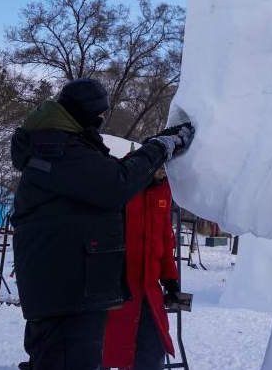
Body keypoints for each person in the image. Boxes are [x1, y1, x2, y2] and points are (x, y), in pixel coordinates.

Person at [11, 78, 194, 370]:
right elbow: (115, 183)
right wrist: (159, 148)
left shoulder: (62, 148)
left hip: (76, 288)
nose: (101, 119)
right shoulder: (56, 148)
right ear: (83, 112)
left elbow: (161, 235)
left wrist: (169, 279)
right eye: (99, 113)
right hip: (67, 291)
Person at [101, 166, 180, 370]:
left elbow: (165, 237)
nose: (164, 172)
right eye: (161, 166)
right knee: (106, 349)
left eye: (168, 168)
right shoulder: (122, 179)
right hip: (116, 288)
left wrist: (170, 280)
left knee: (151, 350)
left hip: (149, 291)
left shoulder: (163, 189)